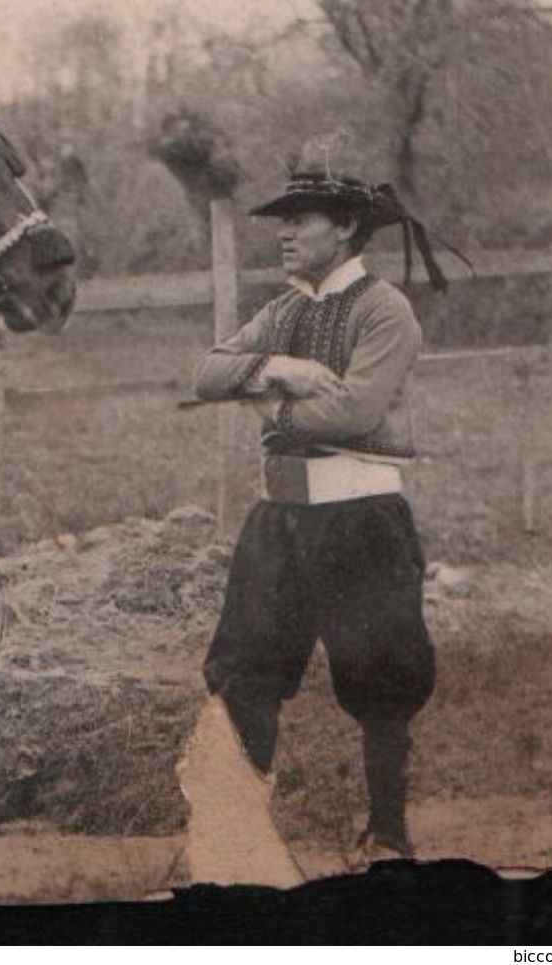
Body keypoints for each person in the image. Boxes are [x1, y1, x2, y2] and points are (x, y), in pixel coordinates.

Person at [187, 138, 457, 865]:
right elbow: (204, 370)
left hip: (360, 519)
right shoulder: (280, 313)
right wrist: (281, 368)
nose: (282, 232)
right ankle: (245, 836)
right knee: (245, 670)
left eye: (299, 219)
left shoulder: (385, 311)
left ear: (342, 227)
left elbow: (352, 413)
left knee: (380, 674)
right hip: (278, 521)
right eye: (282, 219)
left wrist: (268, 408)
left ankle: (387, 835)